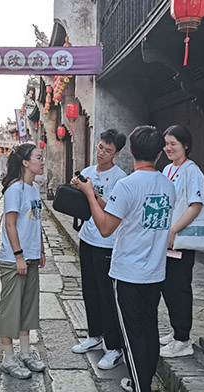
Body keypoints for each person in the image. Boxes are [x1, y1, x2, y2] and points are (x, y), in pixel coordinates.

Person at [74, 126, 176, 392]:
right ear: (159, 154)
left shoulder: (127, 184)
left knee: (132, 336)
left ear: (129, 151)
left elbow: (106, 227)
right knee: (149, 330)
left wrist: (89, 195)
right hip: (155, 271)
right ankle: (141, 383)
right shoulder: (168, 185)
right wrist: (95, 195)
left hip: (129, 273)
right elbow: (127, 214)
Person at [69, 129, 128, 370]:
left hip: (108, 242)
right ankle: (94, 335)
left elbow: (113, 210)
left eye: (108, 150)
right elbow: (79, 201)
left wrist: (91, 192)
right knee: (89, 290)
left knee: (107, 295)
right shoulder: (88, 172)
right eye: (100, 147)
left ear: (118, 153)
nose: (102, 153)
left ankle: (114, 347)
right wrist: (76, 187)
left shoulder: (120, 179)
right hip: (88, 237)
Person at [0, 143, 47, 379]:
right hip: (14, 259)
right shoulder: (15, 190)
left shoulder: (34, 188)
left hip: (32, 257)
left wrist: (41, 250)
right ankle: (8, 358)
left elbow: (37, 221)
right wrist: (19, 256)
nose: (42, 161)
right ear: (26, 162)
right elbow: (10, 225)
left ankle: (25, 352)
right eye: (38, 157)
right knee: (10, 309)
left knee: (28, 307)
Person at [158, 125, 204, 358]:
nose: (168, 148)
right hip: (166, 239)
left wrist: (174, 230)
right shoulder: (167, 169)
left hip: (180, 239)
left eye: (173, 144)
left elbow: (195, 205)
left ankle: (183, 340)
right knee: (167, 287)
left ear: (185, 145)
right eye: (166, 144)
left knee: (179, 287)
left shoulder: (192, 171)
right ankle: (176, 331)